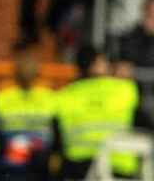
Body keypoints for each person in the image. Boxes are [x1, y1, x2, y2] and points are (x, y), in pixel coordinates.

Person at [51, 46, 148, 180]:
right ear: (95, 65)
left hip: (77, 170)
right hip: (118, 168)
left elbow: (56, 141)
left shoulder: (65, 95)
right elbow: (145, 125)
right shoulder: (125, 89)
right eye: (104, 62)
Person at [0, 49, 56, 181]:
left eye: (30, 65)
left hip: (40, 170)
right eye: (24, 65)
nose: (27, 69)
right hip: (8, 170)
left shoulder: (52, 98)